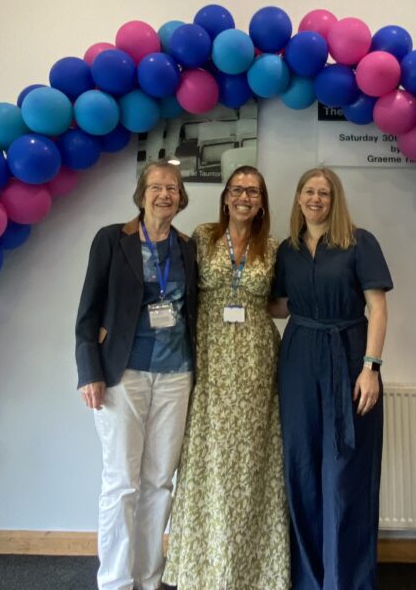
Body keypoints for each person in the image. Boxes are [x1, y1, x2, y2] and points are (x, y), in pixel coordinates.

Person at [163, 166, 289, 590]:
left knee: (253, 460)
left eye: (253, 191)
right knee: (207, 458)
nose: (244, 197)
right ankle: (204, 566)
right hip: (209, 357)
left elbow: (281, 304)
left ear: (262, 202)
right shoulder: (202, 236)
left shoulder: (273, 248)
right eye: (237, 189)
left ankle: (252, 570)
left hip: (255, 361)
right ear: (225, 197)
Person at [75, 161, 199, 590]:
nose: (165, 194)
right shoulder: (113, 239)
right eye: (156, 187)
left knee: (160, 481)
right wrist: (88, 370)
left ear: (181, 197)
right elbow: (88, 311)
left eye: (172, 187)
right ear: (141, 193)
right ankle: (114, 580)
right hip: (121, 373)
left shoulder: (187, 247)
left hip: (176, 375)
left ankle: (148, 577)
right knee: (122, 482)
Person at [271, 167, 393, 590]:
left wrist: (370, 366)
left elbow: (377, 308)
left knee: (345, 471)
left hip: (349, 354)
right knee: (301, 467)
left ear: (334, 198)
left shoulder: (360, 242)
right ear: (299, 197)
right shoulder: (287, 249)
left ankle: (346, 580)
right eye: (309, 191)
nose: (316, 199)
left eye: (324, 192)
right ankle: (308, 579)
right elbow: (282, 305)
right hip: (300, 356)